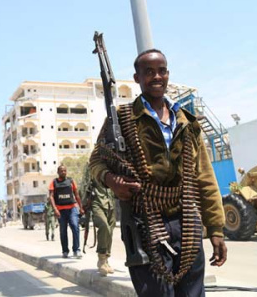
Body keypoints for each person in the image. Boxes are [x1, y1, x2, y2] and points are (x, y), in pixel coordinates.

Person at [89, 49, 227, 296]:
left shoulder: (186, 122)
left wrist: (215, 229)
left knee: (193, 291)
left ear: (168, 74)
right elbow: (96, 162)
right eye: (149, 72)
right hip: (145, 222)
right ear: (137, 78)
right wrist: (112, 181)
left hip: (187, 220)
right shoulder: (120, 119)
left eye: (161, 71)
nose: (156, 77)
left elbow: (205, 178)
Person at [48, 165, 84, 258]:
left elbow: (77, 195)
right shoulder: (54, 182)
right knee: (63, 230)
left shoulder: (71, 181)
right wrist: (55, 209)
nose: (63, 172)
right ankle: (65, 251)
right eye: (61, 171)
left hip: (72, 208)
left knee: (75, 226)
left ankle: (76, 250)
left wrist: (81, 207)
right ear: (58, 172)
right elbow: (51, 196)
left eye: (65, 171)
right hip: (60, 210)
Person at [91, 179, 116, 276]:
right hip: (97, 203)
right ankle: (101, 259)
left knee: (110, 230)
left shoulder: (112, 166)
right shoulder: (92, 167)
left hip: (111, 203)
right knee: (104, 226)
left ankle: (106, 260)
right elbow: (84, 187)